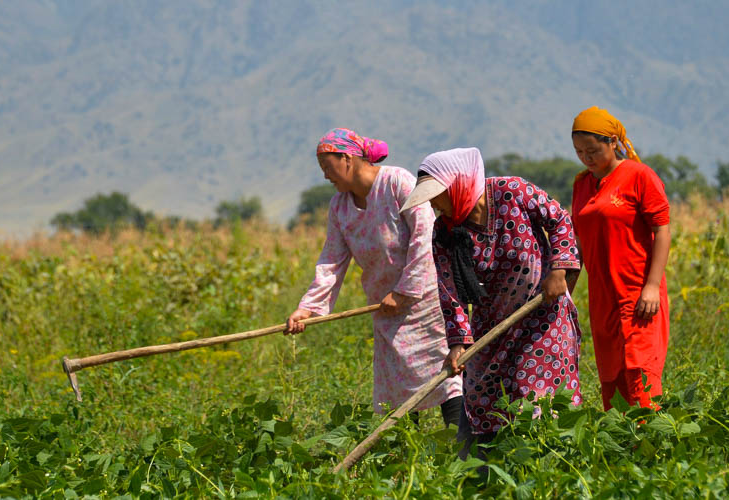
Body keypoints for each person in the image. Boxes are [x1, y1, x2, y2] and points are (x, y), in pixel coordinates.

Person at [401, 147, 583, 453]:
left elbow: (560, 221)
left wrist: (559, 270)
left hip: (542, 319)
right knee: (483, 399)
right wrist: (459, 342)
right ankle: (483, 476)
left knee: (535, 402)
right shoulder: (445, 232)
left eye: (437, 194)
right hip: (491, 329)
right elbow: (450, 292)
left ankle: (545, 471)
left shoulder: (512, 192)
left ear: (457, 183)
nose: (433, 203)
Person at [285, 128, 463, 425]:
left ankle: (463, 456)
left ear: (347, 159)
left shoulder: (397, 182)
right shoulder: (339, 208)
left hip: (428, 304)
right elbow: (332, 261)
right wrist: (308, 309)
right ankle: (404, 464)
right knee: (397, 394)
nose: (326, 176)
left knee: (448, 377)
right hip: (386, 311)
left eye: (328, 167)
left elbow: (425, 236)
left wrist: (405, 291)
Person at [569, 106, 672, 411]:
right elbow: (578, 242)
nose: (587, 158)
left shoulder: (639, 176)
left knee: (641, 374)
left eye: (592, 150)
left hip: (638, 294)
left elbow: (662, 230)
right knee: (612, 378)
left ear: (613, 142)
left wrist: (652, 285)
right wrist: (566, 288)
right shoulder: (581, 184)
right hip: (603, 298)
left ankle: (652, 448)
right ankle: (621, 451)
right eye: (579, 151)